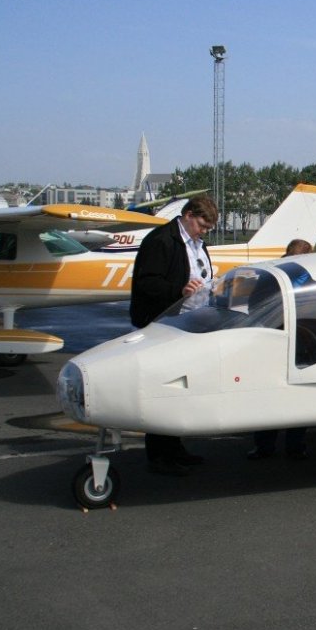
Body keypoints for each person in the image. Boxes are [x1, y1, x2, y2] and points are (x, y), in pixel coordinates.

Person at [130, 194, 218, 475]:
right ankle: (159, 455)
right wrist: (178, 291)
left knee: (180, 388)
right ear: (189, 215)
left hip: (186, 322)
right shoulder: (161, 241)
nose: (204, 232)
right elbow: (146, 283)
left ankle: (174, 447)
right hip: (162, 322)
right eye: (202, 225)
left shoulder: (195, 242)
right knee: (162, 388)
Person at [247, 238, 313, 461]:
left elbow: (253, 305)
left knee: (268, 395)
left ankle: (264, 446)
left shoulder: (270, 272)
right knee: (297, 396)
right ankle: (295, 446)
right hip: (296, 339)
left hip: (270, 339)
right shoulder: (307, 274)